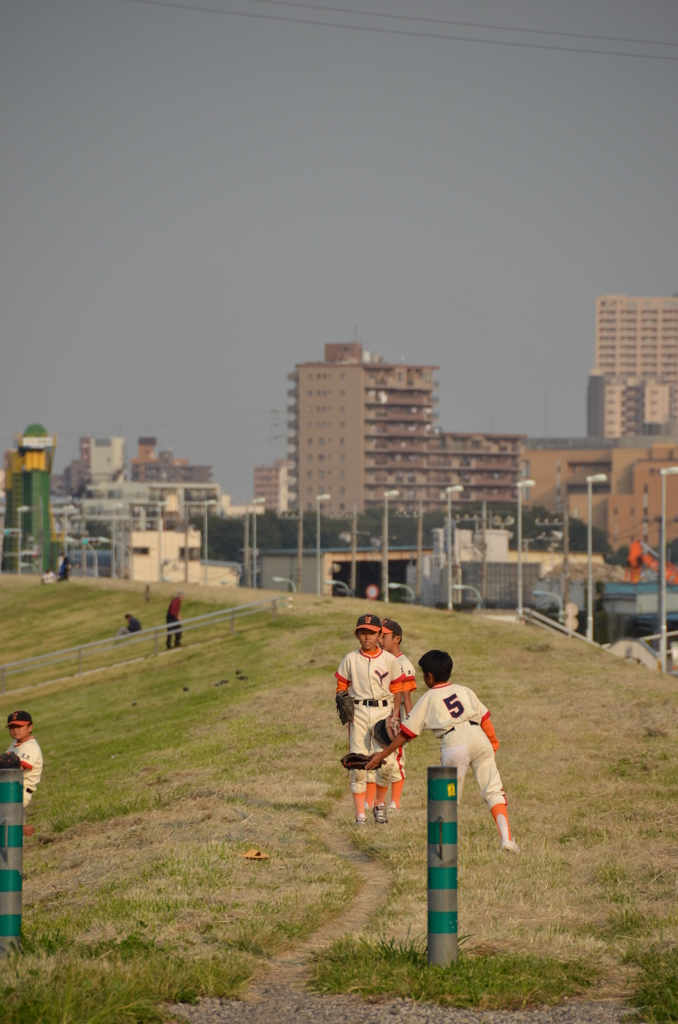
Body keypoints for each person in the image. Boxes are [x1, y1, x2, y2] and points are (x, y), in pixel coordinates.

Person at [366, 649, 520, 854]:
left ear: (429, 676)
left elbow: (406, 734)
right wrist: (492, 746)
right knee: (493, 791)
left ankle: (444, 850)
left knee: (448, 798)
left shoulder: (429, 698)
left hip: (454, 742)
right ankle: (507, 840)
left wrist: (382, 754)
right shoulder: (465, 690)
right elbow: (485, 720)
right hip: (479, 736)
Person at [335, 613, 405, 826]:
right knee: (358, 763)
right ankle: (360, 814)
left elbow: (397, 687)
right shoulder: (350, 659)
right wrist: (341, 698)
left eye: (372, 633)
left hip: (383, 713)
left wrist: (395, 713)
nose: (367, 637)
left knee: (386, 764)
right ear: (357, 635)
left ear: (379, 635)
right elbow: (341, 686)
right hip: (359, 713)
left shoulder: (389, 660)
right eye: (363, 633)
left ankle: (379, 805)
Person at [380, 618, 417, 811]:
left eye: (384, 635)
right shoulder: (381, 659)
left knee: (396, 760)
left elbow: (407, 697)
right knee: (380, 758)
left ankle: (395, 801)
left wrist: (409, 724)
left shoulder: (404, 663)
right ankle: (380, 800)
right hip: (379, 715)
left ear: (397, 639)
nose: (380, 639)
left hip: (396, 720)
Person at [5, 710, 43, 838]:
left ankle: (18, 827)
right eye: (12, 727)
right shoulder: (15, 744)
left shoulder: (30, 746)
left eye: (19, 726)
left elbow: (17, 768)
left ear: (30, 727)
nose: (15, 730)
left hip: (19, 791)